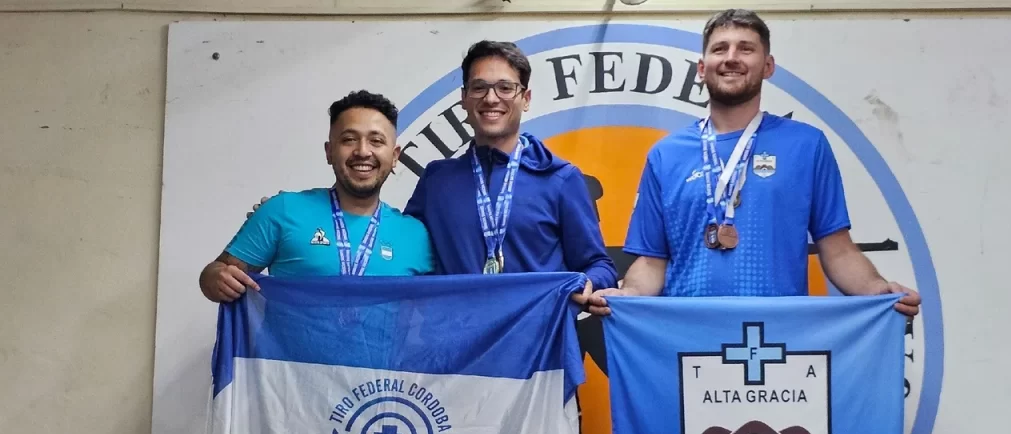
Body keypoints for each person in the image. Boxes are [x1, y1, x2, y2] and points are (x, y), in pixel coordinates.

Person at [587, 9, 921, 317]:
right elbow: (652, 261)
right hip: (689, 337)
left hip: (778, 339)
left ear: (768, 66)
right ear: (702, 68)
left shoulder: (807, 145)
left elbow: (838, 251)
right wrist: (627, 294)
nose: (731, 57)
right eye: (720, 49)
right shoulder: (666, 155)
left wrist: (878, 290)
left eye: (745, 49)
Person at [403, 40, 617, 302]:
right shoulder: (436, 182)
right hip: (457, 328)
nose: (491, 98)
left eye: (505, 88)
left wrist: (586, 283)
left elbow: (599, 265)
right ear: (464, 98)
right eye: (479, 88)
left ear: (525, 99)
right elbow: (402, 255)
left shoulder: (560, 178)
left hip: (538, 329)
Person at [199, 90, 433, 302]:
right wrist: (215, 278)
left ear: (395, 156)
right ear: (329, 152)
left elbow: (440, 311)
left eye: (376, 141)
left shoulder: (416, 234)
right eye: (349, 139)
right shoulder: (282, 210)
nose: (363, 151)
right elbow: (217, 272)